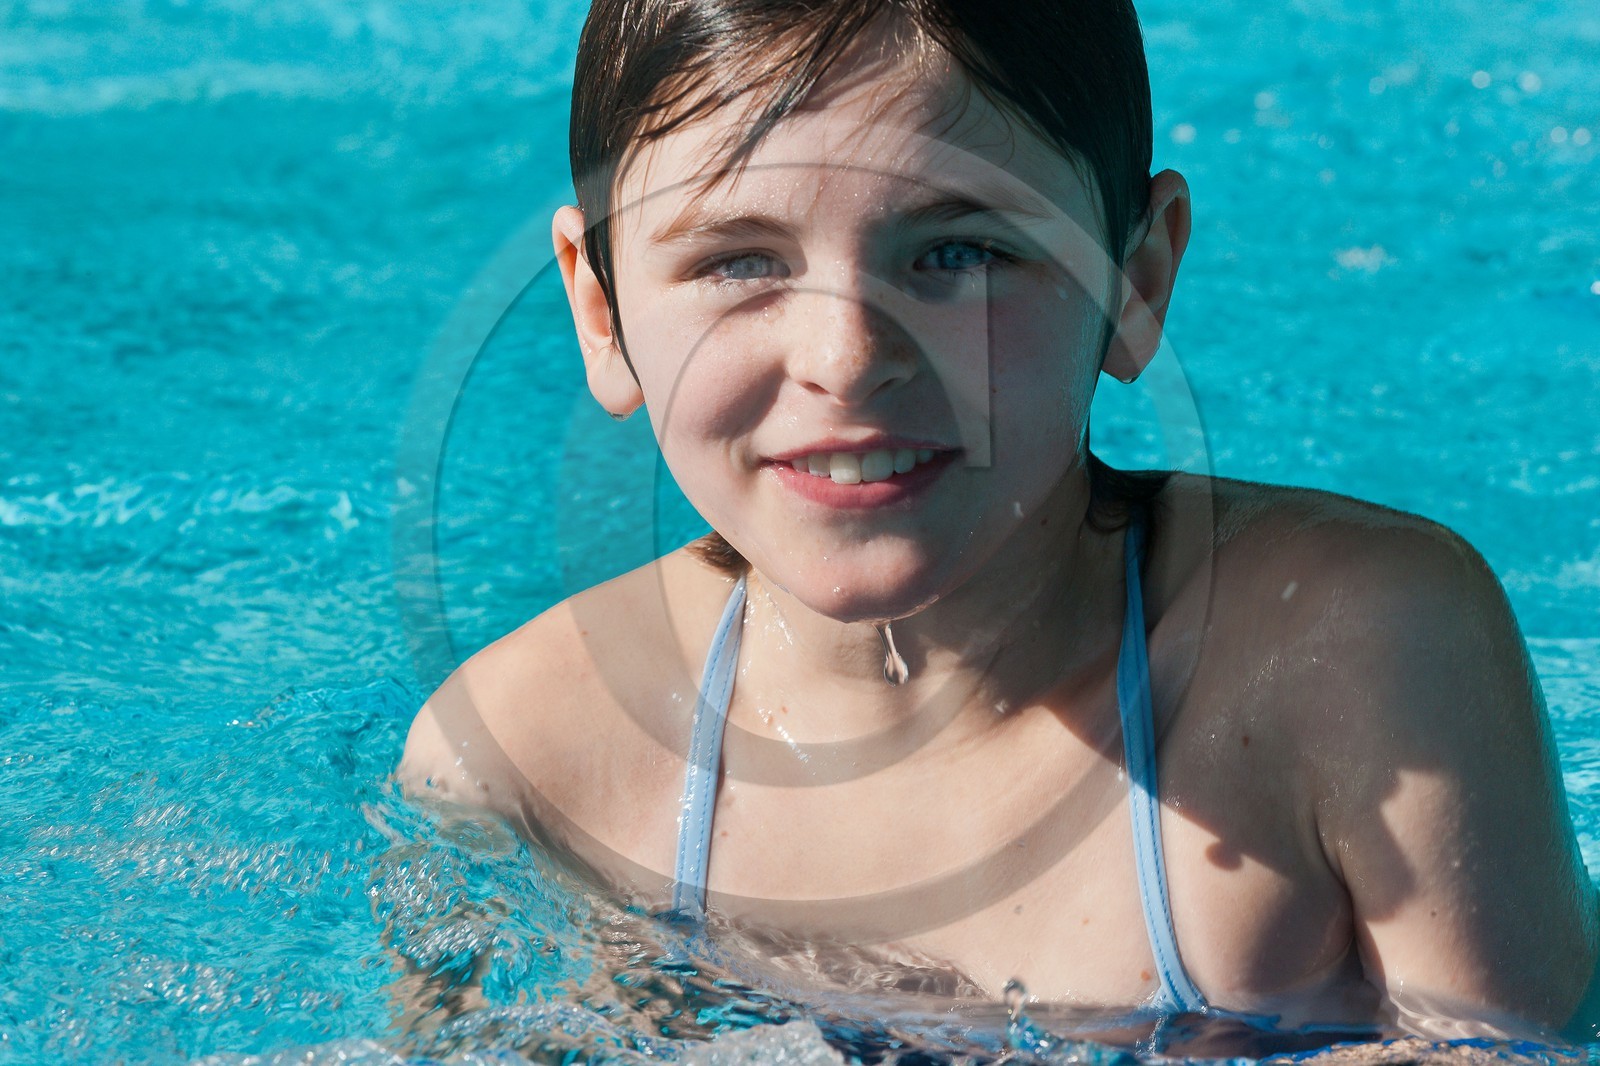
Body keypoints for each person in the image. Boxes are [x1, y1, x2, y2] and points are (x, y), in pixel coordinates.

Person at [399, 0, 1600, 1043]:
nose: (848, 357)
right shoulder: (522, 765)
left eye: (958, 251)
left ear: (1135, 282)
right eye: (738, 262)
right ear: (600, 310)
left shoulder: (1362, 664)